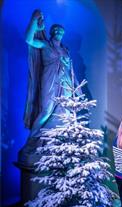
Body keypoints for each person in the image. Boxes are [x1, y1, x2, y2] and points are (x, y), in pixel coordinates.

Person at [19, 10, 77, 165]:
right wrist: (34, 21)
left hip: (64, 84)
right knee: (46, 111)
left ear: (63, 34)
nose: (58, 31)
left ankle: (61, 144)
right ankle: (32, 140)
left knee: (64, 113)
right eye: (55, 30)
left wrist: (74, 89)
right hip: (49, 81)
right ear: (51, 32)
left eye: (61, 30)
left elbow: (71, 70)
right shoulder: (45, 45)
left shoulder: (66, 50)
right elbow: (28, 40)